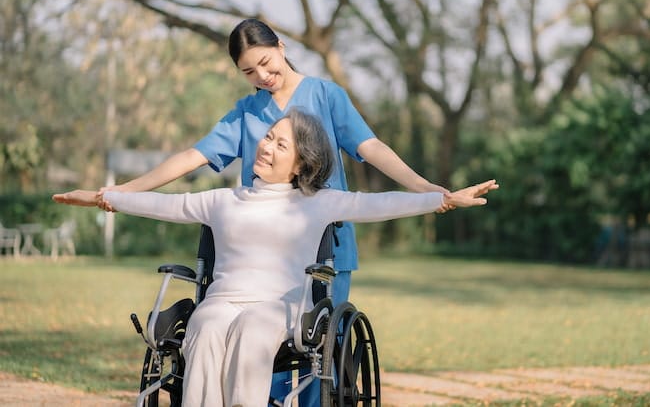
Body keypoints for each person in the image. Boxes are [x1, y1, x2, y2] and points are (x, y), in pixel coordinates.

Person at [55, 17, 449, 407]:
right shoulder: (247, 112)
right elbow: (193, 157)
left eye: (266, 62)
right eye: (249, 71)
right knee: (256, 357)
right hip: (250, 254)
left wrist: (426, 188)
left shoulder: (327, 96)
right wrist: (120, 192)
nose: (262, 75)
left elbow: (370, 147)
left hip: (324, 246)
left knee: (319, 361)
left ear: (281, 46)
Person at [53, 109, 498, 407]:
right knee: (205, 330)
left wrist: (442, 200)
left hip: (280, 308)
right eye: (267, 137)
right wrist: (102, 198)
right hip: (222, 301)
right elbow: (162, 204)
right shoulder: (222, 200)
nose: (266, 147)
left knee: (250, 330)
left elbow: (379, 203)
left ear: (302, 163)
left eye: (280, 145)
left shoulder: (319, 202)